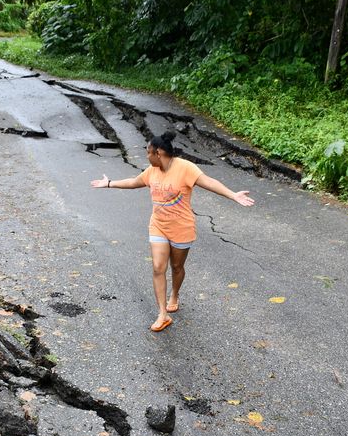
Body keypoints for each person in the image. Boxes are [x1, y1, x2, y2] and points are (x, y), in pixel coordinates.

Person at [90, 131, 254, 332]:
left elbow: (209, 182)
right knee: (158, 267)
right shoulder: (152, 171)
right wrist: (109, 183)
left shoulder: (185, 168)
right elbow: (134, 182)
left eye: (148, 152)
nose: (147, 156)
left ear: (158, 153)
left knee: (177, 267)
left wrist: (232, 195)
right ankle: (162, 314)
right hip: (158, 225)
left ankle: (174, 294)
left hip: (181, 228)